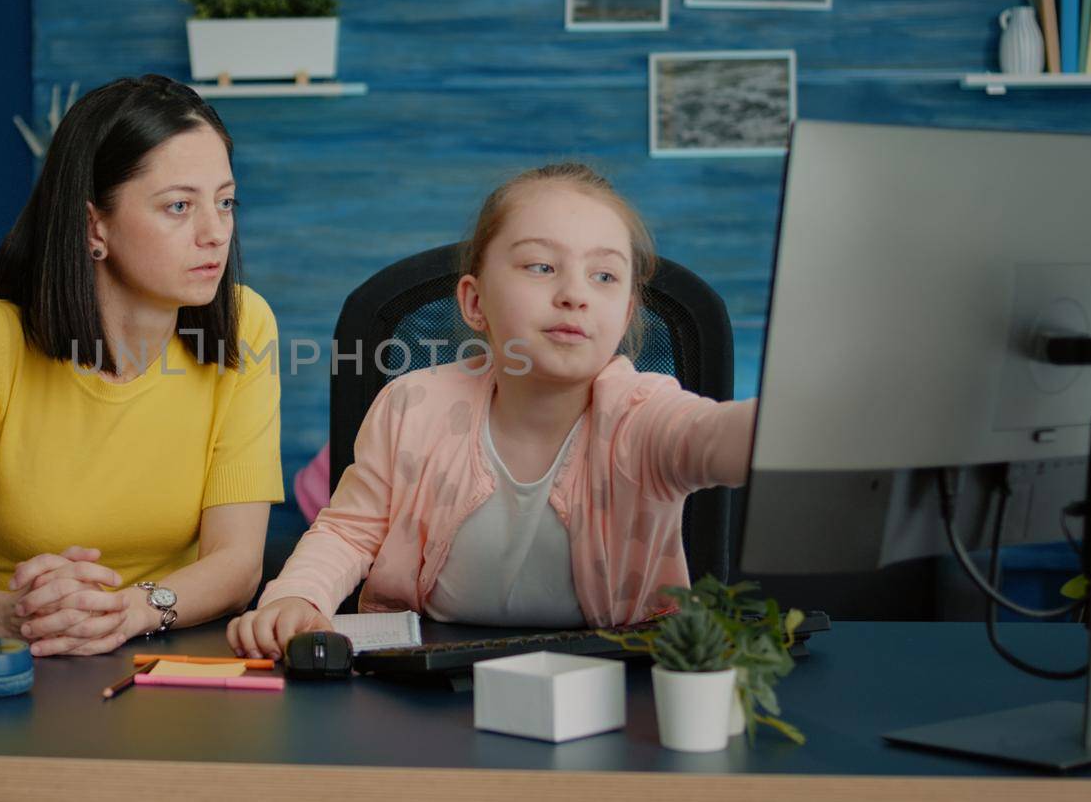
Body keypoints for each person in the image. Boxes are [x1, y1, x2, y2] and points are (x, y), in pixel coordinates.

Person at [229, 163, 755, 658]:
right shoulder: (413, 404)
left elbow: (715, 436)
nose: (575, 293)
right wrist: (297, 597)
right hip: (428, 673)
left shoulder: (644, 415)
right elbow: (349, 531)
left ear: (626, 316)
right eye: (541, 266)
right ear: (475, 303)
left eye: (604, 277)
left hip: (616, 677)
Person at [0, 75, 284, 657]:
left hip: (164, 655)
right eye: (179, 206)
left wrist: (128, 610)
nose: (216, 233)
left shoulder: (245, 324)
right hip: (5, 663)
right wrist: (14, 617)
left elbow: (236, 563)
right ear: (93, 227)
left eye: (225, 201)